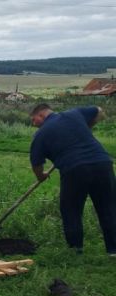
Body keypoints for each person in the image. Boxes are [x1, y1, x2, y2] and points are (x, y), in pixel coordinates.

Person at [29, 103, 116, 256]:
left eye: (34, 120)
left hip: (75, 170)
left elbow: (36, 164)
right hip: (102, 164)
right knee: (108, 207)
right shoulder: (74, 114)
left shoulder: (41, 134)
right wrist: (88, 126)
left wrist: (41, 176)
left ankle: (76, 249)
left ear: (42, 115)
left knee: (71, 209)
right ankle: (113, 250)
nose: (33, 124)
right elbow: (100, 111)